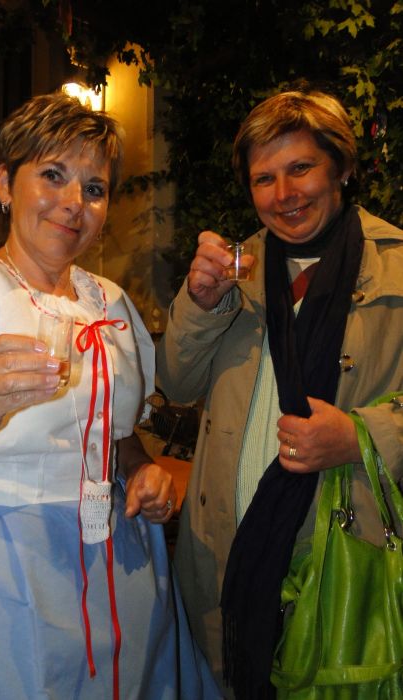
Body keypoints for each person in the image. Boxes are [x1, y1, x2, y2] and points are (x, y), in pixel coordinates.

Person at [0, 92, 220, 699]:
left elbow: (115, 438)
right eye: (53, 175)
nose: (74, 203)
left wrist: (140, 470)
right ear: (5, 184)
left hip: (115, 571)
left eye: (95, 187)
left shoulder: (110, 304)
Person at [156, 86, 403, 698]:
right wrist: (201, 304)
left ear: (342, 167)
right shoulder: (237, 269)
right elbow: (176, 383)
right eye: (263, 178)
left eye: (301, 168)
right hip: (225, 559)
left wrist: (361, 436)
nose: (284, 193)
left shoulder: (397, 266)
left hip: (341, 563)